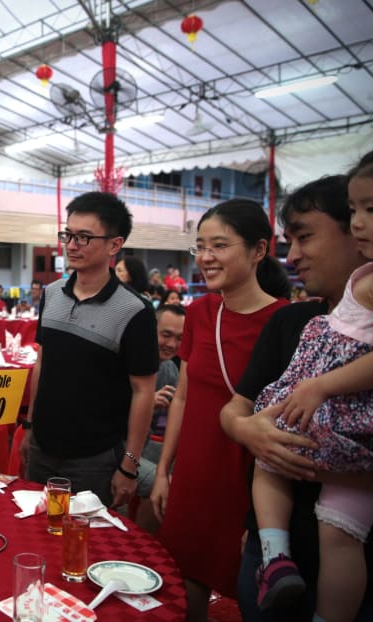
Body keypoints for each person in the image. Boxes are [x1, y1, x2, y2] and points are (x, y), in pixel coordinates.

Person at [220, 174, 373, 622]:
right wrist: (248, 431)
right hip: (276, 551)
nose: (293, 257)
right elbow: (236, 406)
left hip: (362, 558)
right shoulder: (294, 322)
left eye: (305, 237)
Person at [150, 199, 291, 620]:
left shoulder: (284, 321)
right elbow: (186, 397)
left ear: (259, 250)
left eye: (219, 245)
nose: (206, 258)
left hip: (248, 478)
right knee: (184, 574)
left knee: (249, 588)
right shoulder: (200, 312)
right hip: (195, 471)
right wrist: (163, 471)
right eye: (200, 247)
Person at [20, 191, 159, 507]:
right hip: (42, 448)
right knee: (36, 537)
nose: (71, 245)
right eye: (68, 234)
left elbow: (143, 391)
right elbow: (43, 362)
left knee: (88, 546)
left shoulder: (134, 310)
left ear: (114, 244)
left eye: (83, 237)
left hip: (95, 459)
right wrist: (29, 426)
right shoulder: (52, 293)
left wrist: (129, 464)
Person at [134, 303, 186, 533]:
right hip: (116, 449)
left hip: (146, 446)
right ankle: (141, 545)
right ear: (150, 329)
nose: (172, 345)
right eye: (166, 335)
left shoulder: (170, 370)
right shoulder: (126, 361)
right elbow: (102, 414)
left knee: (188, 475)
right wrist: (145, 404)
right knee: (168, 486)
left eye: (180, 338)